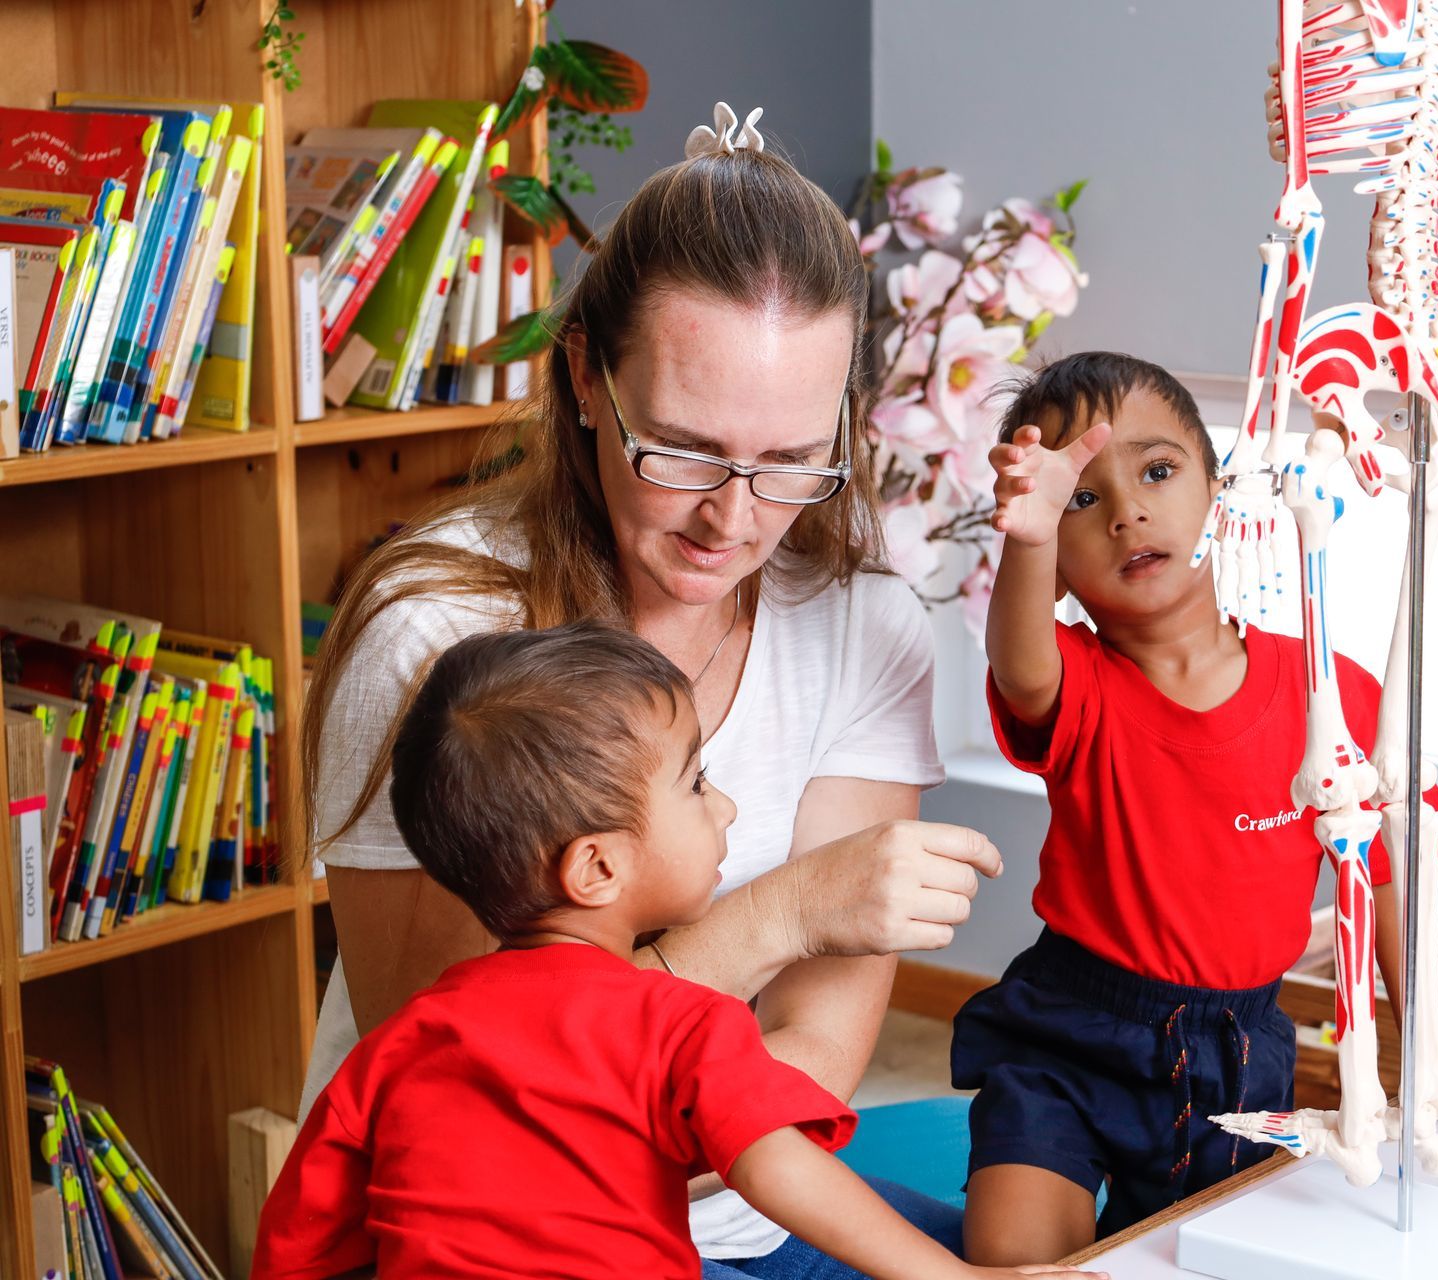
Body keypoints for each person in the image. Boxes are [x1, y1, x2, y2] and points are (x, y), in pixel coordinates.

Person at [300, 106, 992, 1278]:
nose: (733, 518)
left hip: (746, 1202)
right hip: (486, 1239)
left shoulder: (864, 620)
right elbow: (474, 1094)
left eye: (787, 459)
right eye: (679, 448)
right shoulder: (435, 634)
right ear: (584, 377)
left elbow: (810, 1055)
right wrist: (781, 913)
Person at [255, 624, 1100, 1280]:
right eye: (696, 784)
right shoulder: (678, 1019)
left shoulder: (403, 1045)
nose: (726, 808)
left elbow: (302, 1241)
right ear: (598, 867)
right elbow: (782, 1170)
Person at [951, 352, 1438, 1266]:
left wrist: (1435, 1053)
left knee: (1220, 1257)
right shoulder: (1081, 688)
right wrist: (1025, 536)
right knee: (1016, 1262)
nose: (1128, 513)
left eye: (1156, 471)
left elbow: (1388, 882)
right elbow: (1022, 669)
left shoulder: (1332, 696)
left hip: (1241, 1053)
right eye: (1080, 502)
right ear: (1054, 564)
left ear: (1220, 494)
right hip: (1069, 1040)